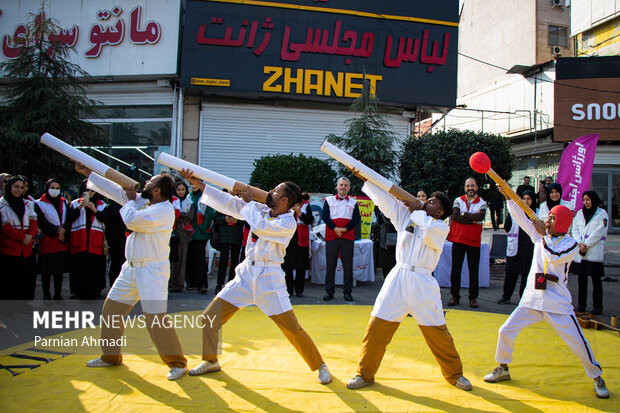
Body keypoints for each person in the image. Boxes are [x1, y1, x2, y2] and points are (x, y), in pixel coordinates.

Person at [180, 169, 331, 385]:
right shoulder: (261, 209)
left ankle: (320, 365)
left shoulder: (288, 223)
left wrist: (249, 203)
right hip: (245, 274)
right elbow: (228, 203)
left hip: (269, 280)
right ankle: (211, 361)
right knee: (209, 318)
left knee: (292, 329)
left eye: (276, 190)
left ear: (285, 199)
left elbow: (261, 228)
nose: (270, 192)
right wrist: (200, 184)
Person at [345, 171, 472, 391]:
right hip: (398, 277)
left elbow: (428, 227)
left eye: (430, 202)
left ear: (440, 212)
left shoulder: (441, 227)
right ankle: (365, 374)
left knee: (437, 332)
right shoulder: (408, 216)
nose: (424, 202)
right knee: (377, 327)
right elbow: (387, 202)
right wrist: (367, 180)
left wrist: (418, 210)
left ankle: (454, 374)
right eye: (425, 199)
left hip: (423, 282)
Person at [484, 184, 609, 399]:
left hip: (556, 302)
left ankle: (596, 376)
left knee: (578, 343)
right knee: (505, 331)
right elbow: (522, 220)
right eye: (548, 217)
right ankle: (503, 367)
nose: (547, 221)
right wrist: (509, 198)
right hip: (532, 298)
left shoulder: (570, 244)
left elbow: (552, 256)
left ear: (561, 223)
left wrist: (543, 234)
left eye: (552, 218)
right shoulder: (540, 236)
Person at [75, 163, 188, 381]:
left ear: (157, 191)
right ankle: (111, 356)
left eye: (150, 182)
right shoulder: (145, 202)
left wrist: (129, 201)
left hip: (152, 271)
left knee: (155, 319)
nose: (146, 182)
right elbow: (116, 192)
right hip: (130, 268)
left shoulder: (163, 210)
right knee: (111, 311)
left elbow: (133, 221)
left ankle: (177, 363)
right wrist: (89, 173)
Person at [447, 177, 486, 308]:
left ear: (477, 187)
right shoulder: (458, 200)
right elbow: (455, 216)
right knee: (455, 269)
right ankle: (454, 296)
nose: (470, 188)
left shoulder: (482, 202)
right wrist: (472, 219)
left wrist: (464, 215)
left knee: (473, 270)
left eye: (472, 186)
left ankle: (473, 298)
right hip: (458, 238)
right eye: (468, 186)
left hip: (474, 240)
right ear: (465, 188)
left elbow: (480, 217)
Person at [65, 180, 108, 299]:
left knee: (94, 267)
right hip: (79, 241)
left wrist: (94, 210)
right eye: (87, 190)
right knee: (78, 267)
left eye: (92, 190)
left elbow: (106, 218)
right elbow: (68, 218)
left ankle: (94, 291)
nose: (90, 193)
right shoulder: (74, 203)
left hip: (95, 242)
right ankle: (78, 291)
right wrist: (79, 207)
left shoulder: (101, 205)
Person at [321, 177, 361, 302]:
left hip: (347, 236)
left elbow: (356, 219)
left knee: (348, 266)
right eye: (341, 185)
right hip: (332, 236)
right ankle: (329, 292)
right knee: (330, 265)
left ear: (349, 188)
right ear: (337, 186)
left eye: (346, 185)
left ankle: (347, 293)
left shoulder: (354, 202)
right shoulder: (328, 200)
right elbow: (325, 216)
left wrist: (345, 229)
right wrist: (335, 228)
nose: (343, 187)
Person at [0, 176, 37, 300]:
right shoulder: (1, 204)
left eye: (22, 187)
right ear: (9, 187)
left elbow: (33, 221)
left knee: (24, 280)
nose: (19, 190)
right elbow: (5, 226)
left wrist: (31, 236)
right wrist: (22, 237)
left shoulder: (28, 203)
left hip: (26, 249)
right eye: (16, 187)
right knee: (9, 281)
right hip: (9, 249)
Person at [572, 191, 608, 315]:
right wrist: (579, 244)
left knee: (596, 280)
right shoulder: (579, 214)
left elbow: (599, 232)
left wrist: (586, 244)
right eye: (584, 200)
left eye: (588, 200)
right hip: (581, 252)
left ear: (594, 200)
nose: (586, 202)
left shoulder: (602, 214)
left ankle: (597, 306)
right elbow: (574, 229)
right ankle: (581, 305)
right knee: (582, 280)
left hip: (593, 251)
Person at [497, 190, 536, 304]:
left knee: (526, 275)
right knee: (511, 274)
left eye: (528, 199)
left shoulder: (536, 212)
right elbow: (507, 225)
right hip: (516, 247)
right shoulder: (516, 211)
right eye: (524, 198)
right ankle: (506, 296)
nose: (526, 201)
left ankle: (523, 298)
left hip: (529, 249)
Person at [34, 179, 69, 300]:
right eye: (52, 187)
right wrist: (57, 231)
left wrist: (64, 230)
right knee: (46, 270)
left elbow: (68, 218)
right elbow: (42, 222)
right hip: (48, 240)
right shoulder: (38, 203)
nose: (55, 190)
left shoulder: (64, 202)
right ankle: (46, 294)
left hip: (61, 240)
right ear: (47, 188)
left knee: (59, 270)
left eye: (57, 188)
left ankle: (58, 294)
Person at [186, 181, 215, 293]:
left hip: (201, 234)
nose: (193, 186)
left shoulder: (205, 197)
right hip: (190, 233)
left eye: (195, 184)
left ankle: (202, 284)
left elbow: (209, 213)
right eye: (191, 184)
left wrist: (203, 228)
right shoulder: (188, 197)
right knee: (190, 259)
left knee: (200, 260)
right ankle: (191, 283)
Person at [213, 190, 245, 294]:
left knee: (235, 261)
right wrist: (225, 219)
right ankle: (219, 283)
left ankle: (232, 283)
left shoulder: (240, 202)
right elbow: (216, 217)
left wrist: (238, 220)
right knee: (223, 260)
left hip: (237, 235)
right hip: (224, 235)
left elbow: (246, 218)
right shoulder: (222, 201)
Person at [283, 193, 313, 297]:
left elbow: (309, 220)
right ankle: (288, 290)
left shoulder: (306, 205)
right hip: (289, 238)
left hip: (301, 239)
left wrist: (300, 212)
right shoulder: (285, 204)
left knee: (301, 266)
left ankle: (299, 290)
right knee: (288, 266)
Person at [170, 181, 194, 293]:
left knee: (182, 260)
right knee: (171, 260)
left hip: (184, 234)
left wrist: (179, 216)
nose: (180, 192)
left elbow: (190, 217)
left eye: (183, 189)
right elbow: (171, 216)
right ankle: (170, 283)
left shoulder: (190, 202)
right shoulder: (171, 201)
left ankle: (179, 284)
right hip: (171, 234)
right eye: (178, 189)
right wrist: (180, 216)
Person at [103, 200, 127, 287]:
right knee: (116, 265)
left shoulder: (129, 204)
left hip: (124, 240)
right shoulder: (113, 206)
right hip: (116, 240)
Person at [374, 206, 397, 278]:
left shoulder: (396, 204)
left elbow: (394, 220)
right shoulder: (379, 206)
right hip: (383, 238)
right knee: (385, 263)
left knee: (393, 262)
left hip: (394, 238)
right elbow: (379, 222)